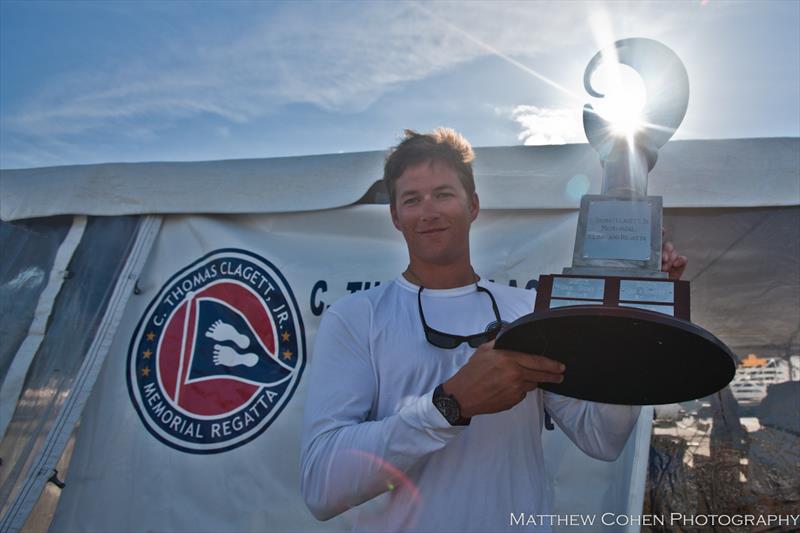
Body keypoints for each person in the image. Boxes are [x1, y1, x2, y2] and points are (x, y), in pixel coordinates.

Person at [300, 128, 688, 532]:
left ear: (473, 205)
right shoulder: (356, 317)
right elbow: (321, 486)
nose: (428, 211)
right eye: (412, 200)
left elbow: (602, 438)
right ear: (396, 217)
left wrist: (636, 318)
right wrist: (449, 405)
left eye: (443, 194)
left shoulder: (527, 310)